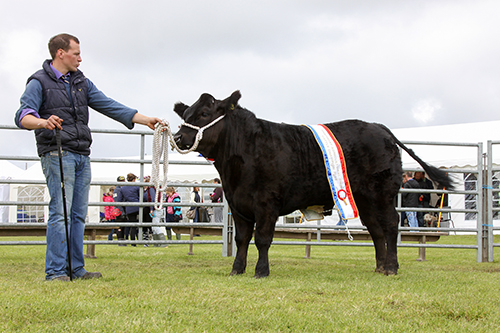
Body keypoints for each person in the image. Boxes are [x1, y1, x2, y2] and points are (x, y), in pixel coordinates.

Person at [14, 33, 164, 281]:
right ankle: (55, 271)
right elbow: (22, 116)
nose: (80, 59)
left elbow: (108, 104)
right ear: (60, 53)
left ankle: (76, 269)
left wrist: (144, 119)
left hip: (82, 154)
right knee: (60, 212)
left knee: (77, 214)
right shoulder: (38, 82)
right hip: (57, 152)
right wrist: (43, 122)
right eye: (76, 54)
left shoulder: (81, 82)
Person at [116, 173, 141, 246]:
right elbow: (142, 196)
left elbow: (119, 200)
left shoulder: (123, 188)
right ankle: (137, 241)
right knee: (137, 225)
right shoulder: (137, 187)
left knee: (131, 224)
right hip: (138, 207)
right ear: (134, 179)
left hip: (128, 208)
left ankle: (132, 241)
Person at [142, 176, 155, 246]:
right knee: (144, 225)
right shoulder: (142, 190)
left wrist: (151, 209)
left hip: (148, 209)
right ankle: (145, 240)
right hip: (143, 209)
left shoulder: (151, 189)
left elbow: (153, 199)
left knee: (149, 224)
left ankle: (151, 239)